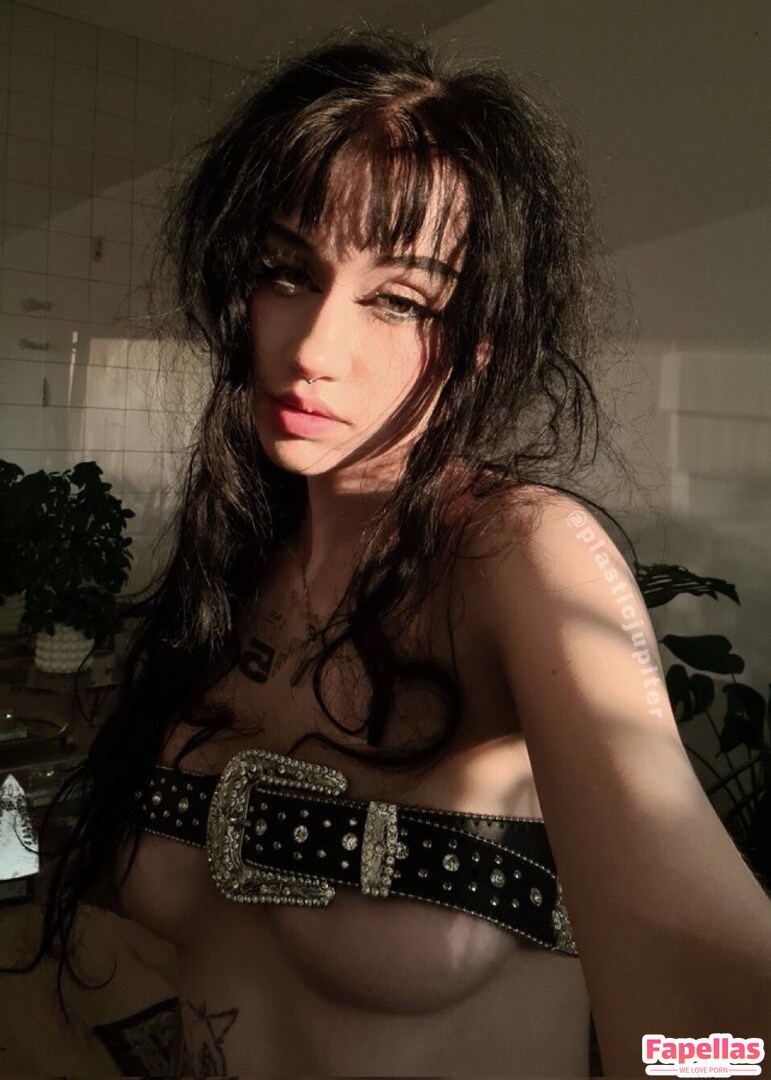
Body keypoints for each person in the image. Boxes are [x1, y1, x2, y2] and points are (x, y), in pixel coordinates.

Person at [28, 29, 771, 1079]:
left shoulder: (517, 558)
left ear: (478, 345)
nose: (313, 349)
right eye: (287, 273)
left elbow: (704, 977)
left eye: (399, 299)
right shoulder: (236, 567)